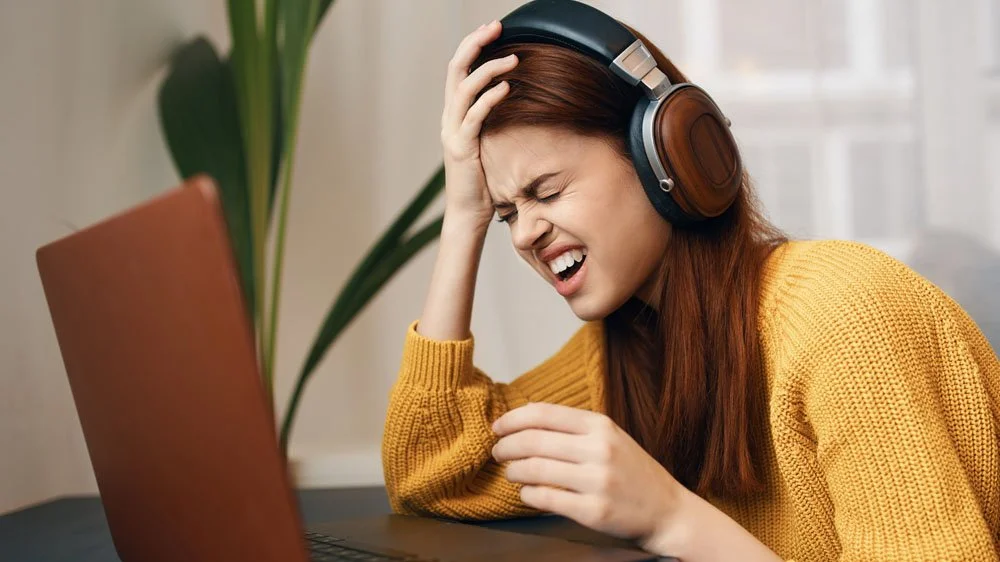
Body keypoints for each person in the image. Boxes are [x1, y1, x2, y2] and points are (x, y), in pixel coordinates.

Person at [380, 2, 1000, 560]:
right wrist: (464, 214)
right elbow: (432, 472)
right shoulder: (626, 350)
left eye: (546, 191)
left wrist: (672, 519)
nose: (523, 235)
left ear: (662, 153)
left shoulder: (845, 317)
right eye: (506, 214)